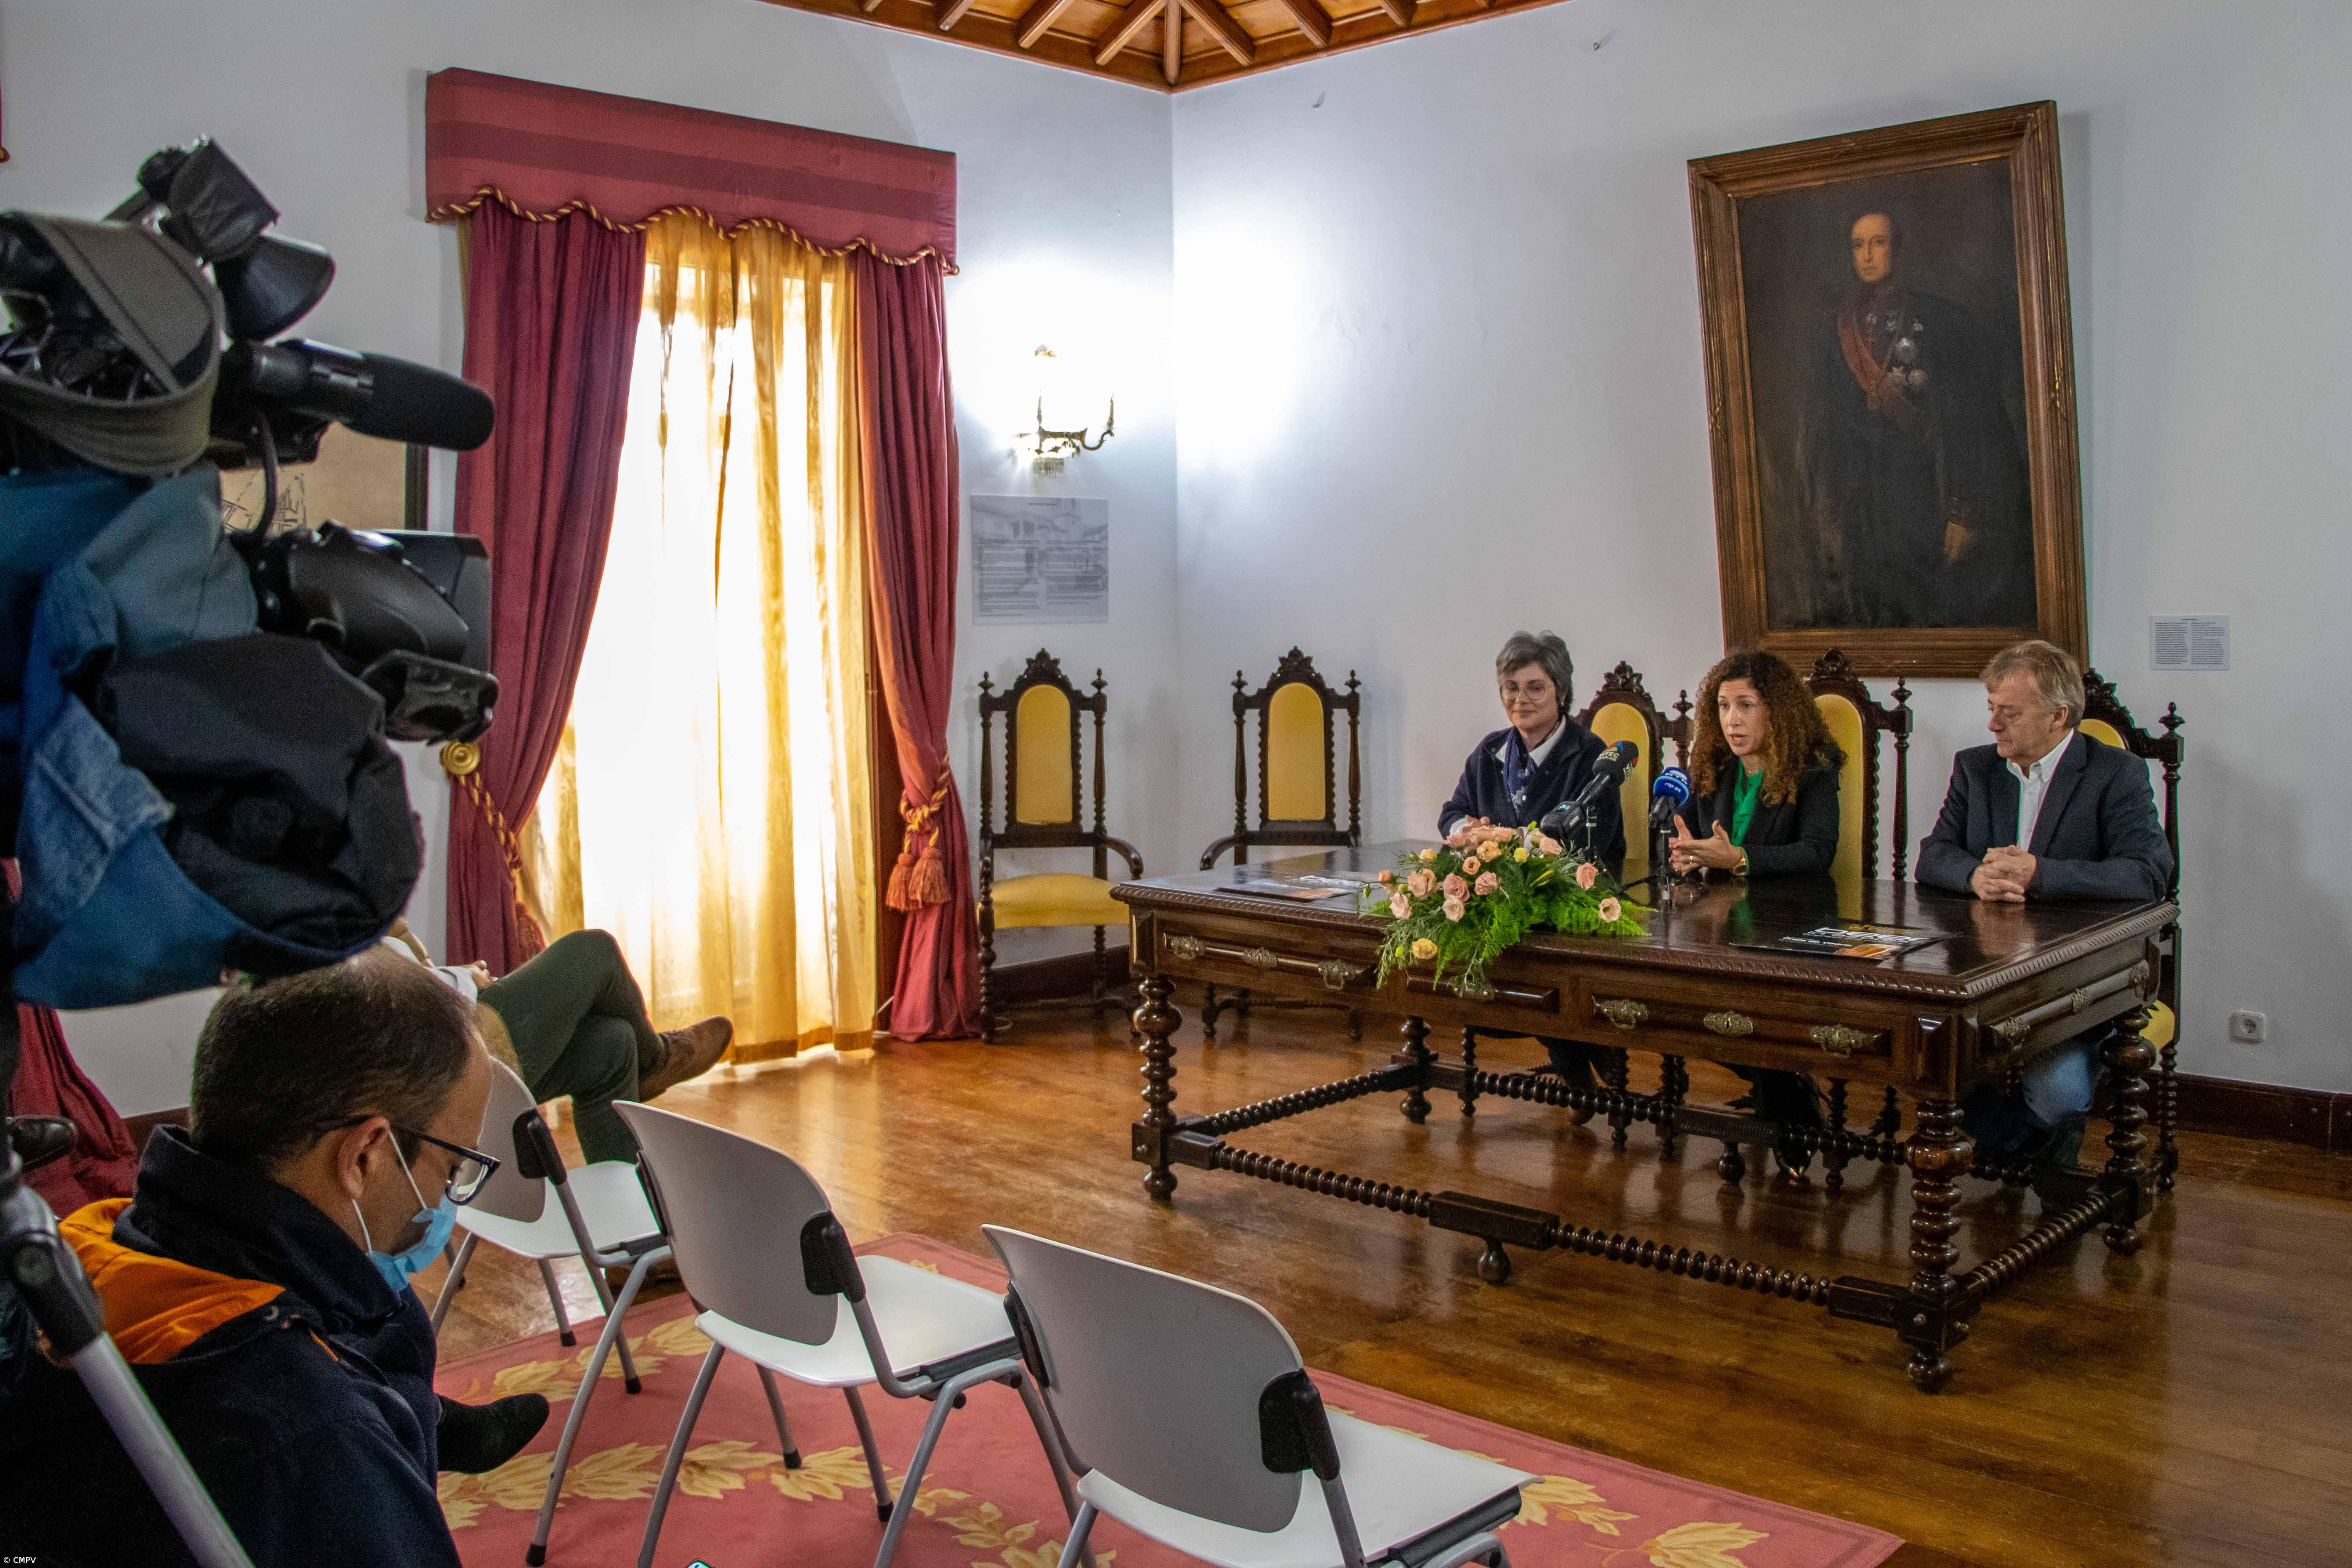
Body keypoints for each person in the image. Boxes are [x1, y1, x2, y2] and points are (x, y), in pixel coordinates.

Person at [0, 958, 526, 1568]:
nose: (444, 1197)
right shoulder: (317, 1441)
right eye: (453, 1166)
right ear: (365, 1155)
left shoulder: (84, 1255)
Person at [1916, 639, 2174, 1167]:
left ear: (2059, 716)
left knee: (2057, 1095)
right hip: (1984, 973)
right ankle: (2028, 1156)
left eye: (2008, 713)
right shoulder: (1976, 769)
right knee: (1926, 1064)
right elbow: (1932, 856)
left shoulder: (2115, 773)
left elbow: (2149, 874)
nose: (1993, 726)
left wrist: (2041, 874)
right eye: (1991, 710)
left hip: (2077, 979)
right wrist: (1974, 877)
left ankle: (2018, 1154)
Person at [1789, 209, 2033, 630]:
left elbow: (1974, 423)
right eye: (1859, 245)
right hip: (1861, 500)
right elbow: (1822, 430)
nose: (1868, 255)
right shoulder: (1835, 331)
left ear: (1897, 250)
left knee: (1927, 603)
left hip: (1920, 488)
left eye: (1878, 243)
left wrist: (1964, 511)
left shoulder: (1942, 321)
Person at [379, 920, 732, 1168]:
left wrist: (452, 974)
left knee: (613, 1045)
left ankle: (629, 1247)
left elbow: (401, 976)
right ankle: (656, 1061)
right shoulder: (333, 922)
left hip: (449, 1033)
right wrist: (461, 979)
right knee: (594, 950)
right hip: (452, 1053)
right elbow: (387, 1001)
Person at [1438, 631, 1624, 1094]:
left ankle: (1578, 1054)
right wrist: (1465, 830)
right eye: (1511, 688)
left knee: (1542, 971)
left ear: (1561, 691)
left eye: (1535, 688)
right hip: (1504, 896)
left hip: (1575, 897)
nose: (1520, 700)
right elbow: (1451, 811)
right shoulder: (1490, 751)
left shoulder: (1590, 755)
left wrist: (1506, 838)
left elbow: (1590, 840)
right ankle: (1577, 1059)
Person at [1668, 650, 1845, 1133]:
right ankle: (1791, 1099)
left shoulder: (1814, 770)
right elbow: (1710, 850)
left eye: (1745, 705)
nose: (1732, 720)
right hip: (1725, 926)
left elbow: (1817, 851)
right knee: (1689, 1009)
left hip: (1794, 925)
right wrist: (1691, 860)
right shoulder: (1713, 767)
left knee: (1755, 1016)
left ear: (1777, 710)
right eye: (1723, 707)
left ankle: (1789, 1120)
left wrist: (1739, 859)